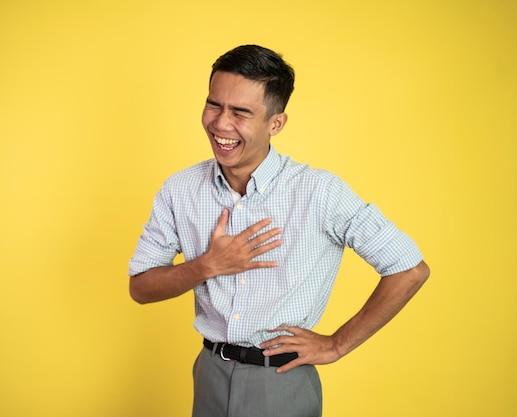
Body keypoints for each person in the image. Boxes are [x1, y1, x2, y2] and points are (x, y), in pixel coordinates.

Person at [129, 44, 430, 417]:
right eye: (214, 105)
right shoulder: (180, 189)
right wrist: (207, 265)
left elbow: (409, 268)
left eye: (240, 112)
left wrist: (337, 344)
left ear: (276, 123)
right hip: (209, 373)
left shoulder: (319, 192)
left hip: (281, 383)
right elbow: (140, 287)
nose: (221, 124)